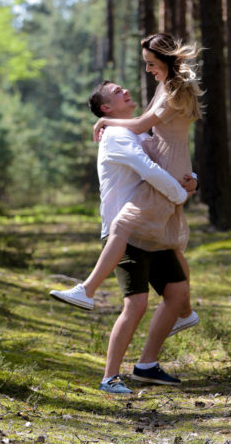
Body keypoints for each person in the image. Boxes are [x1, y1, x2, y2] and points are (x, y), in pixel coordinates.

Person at [51, 33, 202, 331]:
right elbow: (149, 136)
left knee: (122, 227)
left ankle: (88, 290)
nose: (147, 70)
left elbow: (142, 126)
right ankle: (184, 312)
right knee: (170, 246)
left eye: (150, 63)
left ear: (165, 59)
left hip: (167, 165)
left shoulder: (174, 89)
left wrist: (107, 121)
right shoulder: (165, 86)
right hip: (170, 162)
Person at [54, 79, 196, 393]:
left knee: (176, 294)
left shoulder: (137, 132)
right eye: (117, 92)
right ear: (106, 108)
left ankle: (146, 365)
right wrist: (177, 194)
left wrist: (190, 180)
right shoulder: (116, 136)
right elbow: (147, 168)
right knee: (136, 303)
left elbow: (167, 160)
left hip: (153, 226)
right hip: (126, 230)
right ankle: (109, 378)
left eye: (123, 88)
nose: (126, 91)